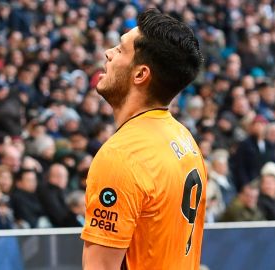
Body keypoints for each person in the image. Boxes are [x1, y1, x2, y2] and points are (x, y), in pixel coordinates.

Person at [81, 9, 207, 270]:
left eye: (120, 49)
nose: (108, 53)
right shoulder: (184, 138)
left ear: (141, 74)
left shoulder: (122, 156)